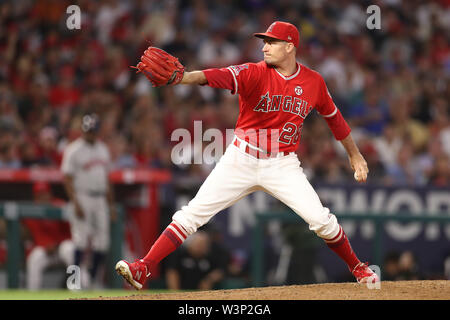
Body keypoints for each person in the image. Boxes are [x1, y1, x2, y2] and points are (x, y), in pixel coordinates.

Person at [116, 21, 379, 290]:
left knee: (322, 220)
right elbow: (214, 76)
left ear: (290, 46)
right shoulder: (254, 72)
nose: (264, 47)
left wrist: (354, 155)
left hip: (282, 164)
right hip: (241, 158)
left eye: (271, 42)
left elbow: (335, 119)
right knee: (191, 214)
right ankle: (144, 267)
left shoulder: (314, 82)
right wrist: (183, 78)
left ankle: (358, 268)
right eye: (263, 41)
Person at [61, 113, 117, 288]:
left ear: (97, 131)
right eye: (88, 131)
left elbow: (107, 180)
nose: (90, 134)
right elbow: (67, 178)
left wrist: (111, 205)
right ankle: (73, 283)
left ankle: (91, 281)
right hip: (82, 196)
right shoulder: (74, 149)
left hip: (100, 198)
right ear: (83, 131)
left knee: (103, 243)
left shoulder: (103, 149)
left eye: (93, 131)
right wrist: (75, 202)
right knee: (80, 241)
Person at [22, 182, 74, 290]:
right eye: (40, 195)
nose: (43, 197)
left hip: (61, 248)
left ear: (50, 194)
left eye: (45, 194)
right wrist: (46, 245)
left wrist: (57, 244)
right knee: (35, 258)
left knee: (70, 250)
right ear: (35, 197)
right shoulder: (33, 210)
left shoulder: (60, 205)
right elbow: (37, 233)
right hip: (46, 251)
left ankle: (77, 291)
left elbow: (70, 232)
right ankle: (33, 294)